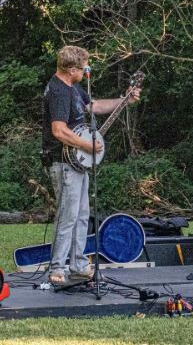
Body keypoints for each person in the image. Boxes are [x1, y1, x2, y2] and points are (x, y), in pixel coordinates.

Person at [42, 45, 141, 286]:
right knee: (67, 215)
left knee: (82, 214)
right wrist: (86, 146)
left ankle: (77, 264)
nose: (87, 70)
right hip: (63, 161)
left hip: (77, 162)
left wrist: (124, 100)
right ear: (72, 69)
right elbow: (58, 130)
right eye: (84, 66)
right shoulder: (57, 91)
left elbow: (93, 106)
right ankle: (57, 267)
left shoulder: (74, 88)